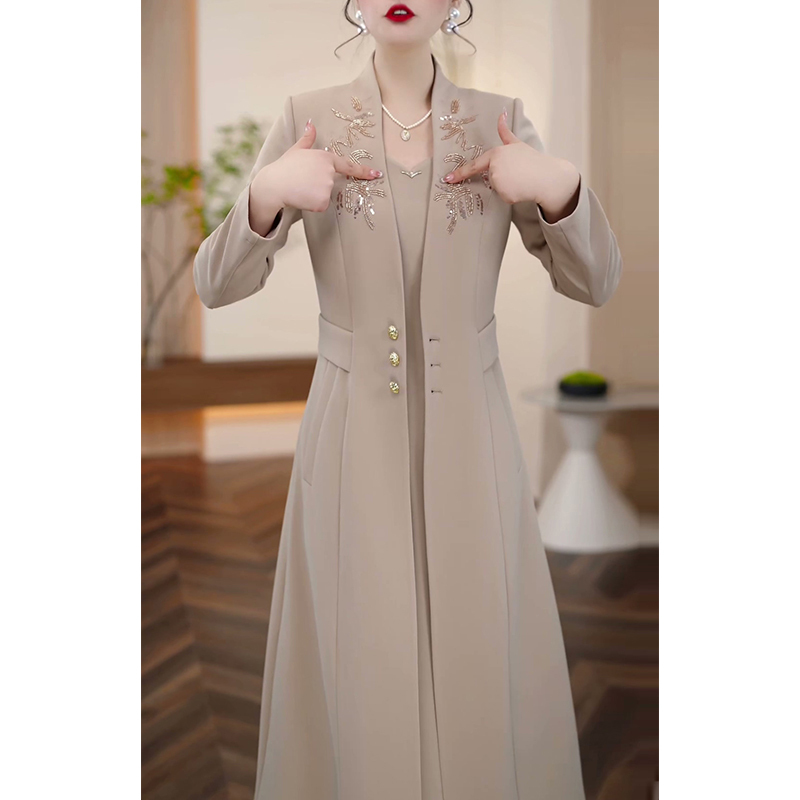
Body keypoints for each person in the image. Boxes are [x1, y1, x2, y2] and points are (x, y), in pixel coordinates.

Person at [193, 2, 621, 799]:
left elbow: (595, 281)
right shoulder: (307, 117)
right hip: (350, 433)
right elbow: (216, 285)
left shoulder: (498, 119)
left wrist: (559, 187)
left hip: (473, 435)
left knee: (477, 636)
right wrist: (266, 194)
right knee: (361, 642)